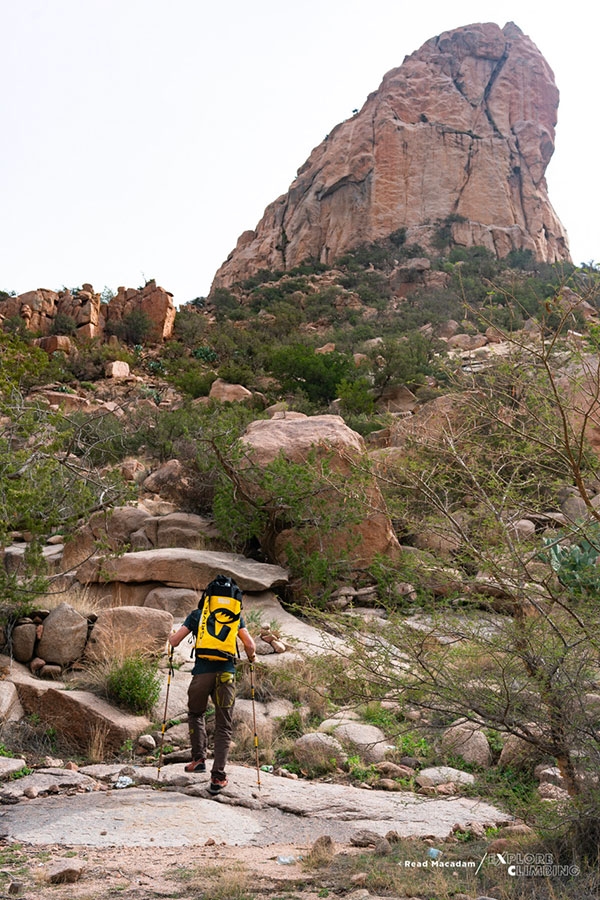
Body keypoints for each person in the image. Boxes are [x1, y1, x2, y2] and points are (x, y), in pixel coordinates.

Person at [168, 581, 256, 795]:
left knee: (196, 714)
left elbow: (175, 641)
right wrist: (252, 658)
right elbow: (250, 644)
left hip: (202, 674)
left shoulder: (197, 615)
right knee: (223, 725)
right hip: (226, 674)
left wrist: (171, 637)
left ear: (208, 597)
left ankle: (198, 759)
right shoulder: (235, 616)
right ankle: (218, 777)